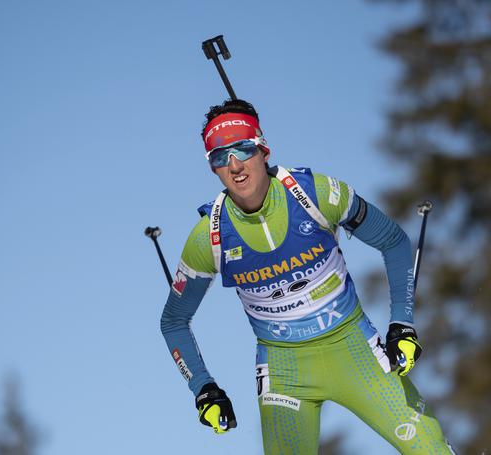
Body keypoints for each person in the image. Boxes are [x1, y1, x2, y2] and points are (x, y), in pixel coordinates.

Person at [160, 99, 456, 454]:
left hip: (355, 351)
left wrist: (402, 324)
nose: (235, 165)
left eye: (242, 148)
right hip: (285, 373)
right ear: (213, 168)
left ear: (262, 148)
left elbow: (394, 241)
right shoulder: (209, 237)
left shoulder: (316, 194)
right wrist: (204, 389)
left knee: (432, 450)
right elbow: (174, 322)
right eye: (220, 156)